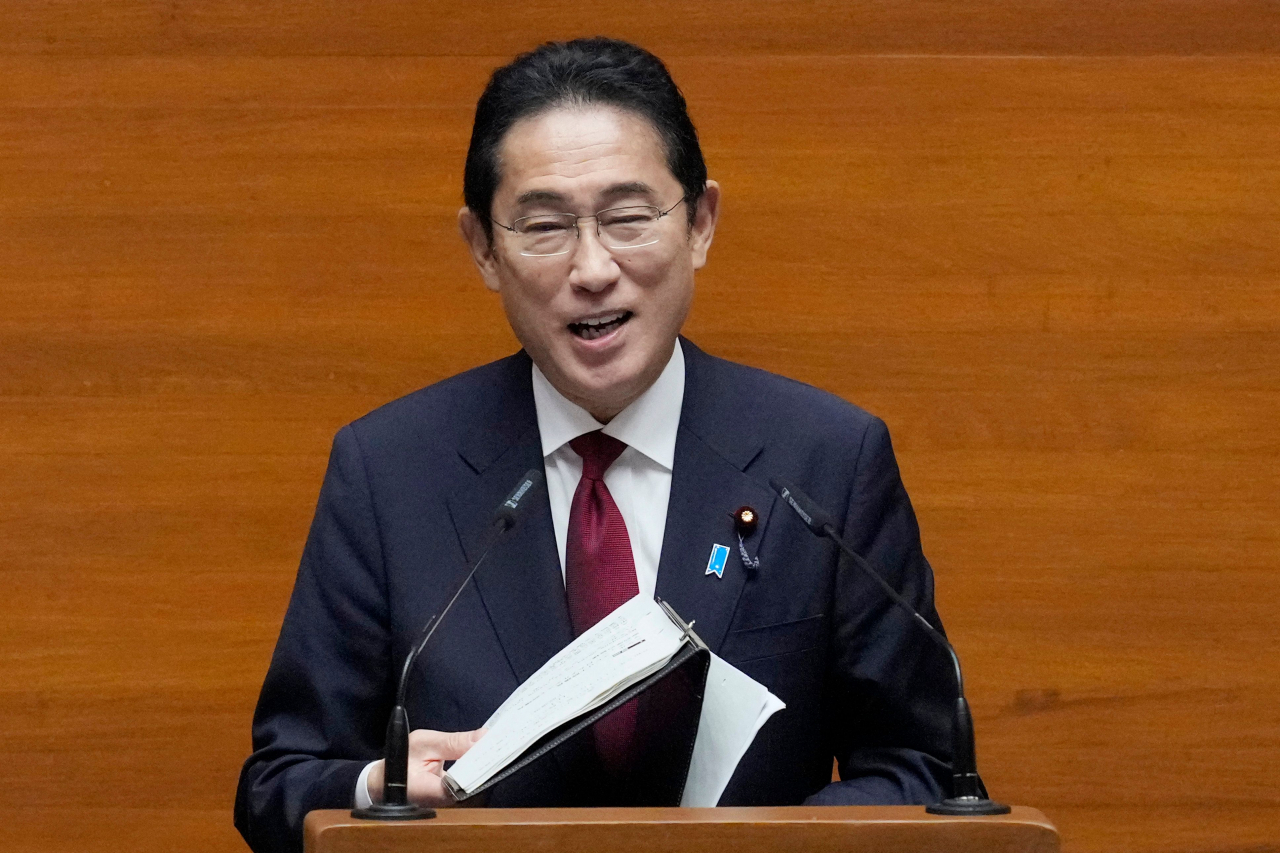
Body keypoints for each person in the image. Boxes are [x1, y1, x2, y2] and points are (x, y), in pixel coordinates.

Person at [235, 37, 955, 853]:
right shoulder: (389, 471)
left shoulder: (827, 458)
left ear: (701, 224)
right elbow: (278, 784)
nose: (592, 268)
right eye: (544, 226)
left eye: (627, 218)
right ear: (483, 249)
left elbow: (923, 768)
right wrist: (384, 786)